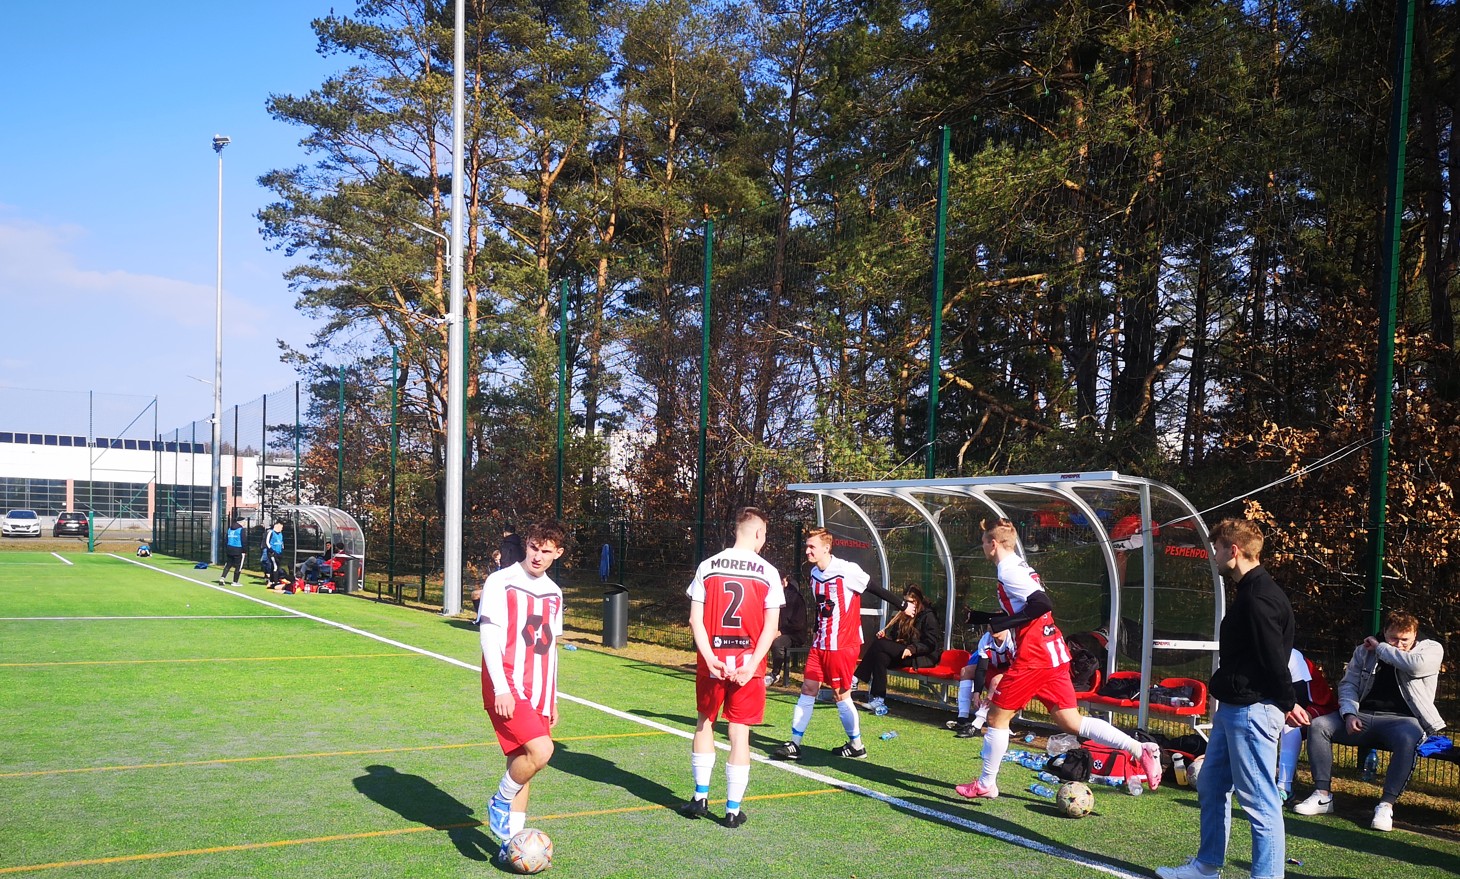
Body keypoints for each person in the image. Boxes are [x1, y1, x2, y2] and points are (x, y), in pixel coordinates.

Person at [954, 518, 1162, 800]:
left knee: (996, 718)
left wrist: (1006, 623)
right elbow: (1027, 609)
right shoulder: (1018, 565)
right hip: (1053, 652)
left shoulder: (1007, 569)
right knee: (1072, 722)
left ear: (993, 543)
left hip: (1035, 657)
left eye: (983, 543)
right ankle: (1141, 749)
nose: (982, 548)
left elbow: (1042, 604)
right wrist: (982, 617)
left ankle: (986, 784)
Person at [1157, 518, 1296, 879]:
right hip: (1234, 709)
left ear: (1233, 550)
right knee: (1212, 785)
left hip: (1252, 711)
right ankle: (1206, 867)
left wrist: (1287, 701)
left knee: (1260, 802)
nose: (1213, 556)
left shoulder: (1259, 598)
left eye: (1216, 549)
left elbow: (1273, 659)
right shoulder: (1249, 592)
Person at [1290, 610, 1445, 832]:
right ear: (1384, 632)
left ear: (1415, 635)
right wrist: (1349, 714)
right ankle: (1322, 795)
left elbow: (1415, 666)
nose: (1400, 645)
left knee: (1408, 738)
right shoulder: (1364, 651)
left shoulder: (1430, 649)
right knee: (1319, 725)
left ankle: (1386, 806)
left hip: (1404, 720)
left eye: (1405, 640)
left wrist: (1381, 647)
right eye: (1393, 638)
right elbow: (1348, 685)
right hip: (1363, 716)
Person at [679, 507, 783, 828]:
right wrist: (751, 665)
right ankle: (732, 811)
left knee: (705, 722)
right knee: (740, 732)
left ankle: (700, 797)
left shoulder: (708, 566)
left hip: (713, 661)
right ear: (758, 533)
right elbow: (770, 628)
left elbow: (695, 619)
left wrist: (709, 656)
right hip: (748, 666)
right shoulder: (768, 572)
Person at [770, 528, 907, 761]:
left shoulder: (846, 570)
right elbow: (821, 609)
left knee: (840, 695)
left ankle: (857, 745)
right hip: (820, 643)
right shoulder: (814, 573)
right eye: (806, 546)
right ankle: (794, 743)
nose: (807, 551)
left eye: (812, 546)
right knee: (808, 688)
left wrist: (902, 604)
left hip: (842, 645)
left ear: (827, 548)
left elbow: (873, 587)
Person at [479, 521, 567, 852]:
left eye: (546, 551)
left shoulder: (555, 592)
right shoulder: (501, 581)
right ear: (525, 545)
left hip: (539, 689)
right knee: (542, 751)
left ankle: (509, 843)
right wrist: (501, 687)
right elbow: (489, 635)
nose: (538, 556)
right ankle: (500, 801)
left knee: (524, 759)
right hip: (507, 679)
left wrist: (552, 697)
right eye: (533, 548)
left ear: (558, 553)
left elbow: (551, 647)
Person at [853, 584, 943, 714]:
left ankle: (856, 678)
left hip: (920, 656)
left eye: (910, 601)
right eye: (905, 601)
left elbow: (931, 643)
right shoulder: (903, 614)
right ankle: (878, 699)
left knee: (880, 645)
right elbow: (896, 637)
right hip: (904, 651)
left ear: (917, 601)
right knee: (881, 656)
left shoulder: (928, 616)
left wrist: (913, 649)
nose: (906, 604)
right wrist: (887, 637)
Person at [1276, 648, 1338, 799]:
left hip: (1317, 707)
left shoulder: (1292, 657)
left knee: (1290, 723)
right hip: (1278, 706)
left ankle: (1284, 787)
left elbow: (1301, 702)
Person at [946, 626, 1016, 736]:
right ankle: (962, 718)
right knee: (966, 671)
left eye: (996, 623)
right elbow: (982, 668)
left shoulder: (1012, 639)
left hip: (1015, 672)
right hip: (994, 668)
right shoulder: (986, 638)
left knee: (995, 681)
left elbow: (1016, 667)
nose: (991, 627)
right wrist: (976, 693)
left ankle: (977, 724)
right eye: (990, 623)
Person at [766, 575, 808, 687]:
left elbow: (798, 624)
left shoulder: (795, 598)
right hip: (778, 631)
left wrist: (780, 631)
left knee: (777, 643)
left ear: (784, 581)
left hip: (794, 635)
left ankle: (775, 674)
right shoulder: (772, 596)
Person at [262, 521, 290, 589]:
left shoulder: (280, 534)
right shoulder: (271, 532)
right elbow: (267, 543)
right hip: (272, 553)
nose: (282, 529)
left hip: (279, 553)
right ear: (277, 526)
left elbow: (282, 543)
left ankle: (272, 581)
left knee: (276, 566)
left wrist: (282, 550)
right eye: (281, 527)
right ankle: (275, 581)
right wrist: (272, 551)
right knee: (275, 567)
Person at [219, 517, 245, 585]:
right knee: (238, 566)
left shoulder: (229, 529)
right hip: (238, 549)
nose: (244, 523)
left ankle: (222, 578)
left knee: (228, 564)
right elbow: (243, 541)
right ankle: (235, 582)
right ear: (241, 522)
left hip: (229, 548)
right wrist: (244, 550)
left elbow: (226, 539)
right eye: (244, 522)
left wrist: (227, 548)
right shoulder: (241, 529)